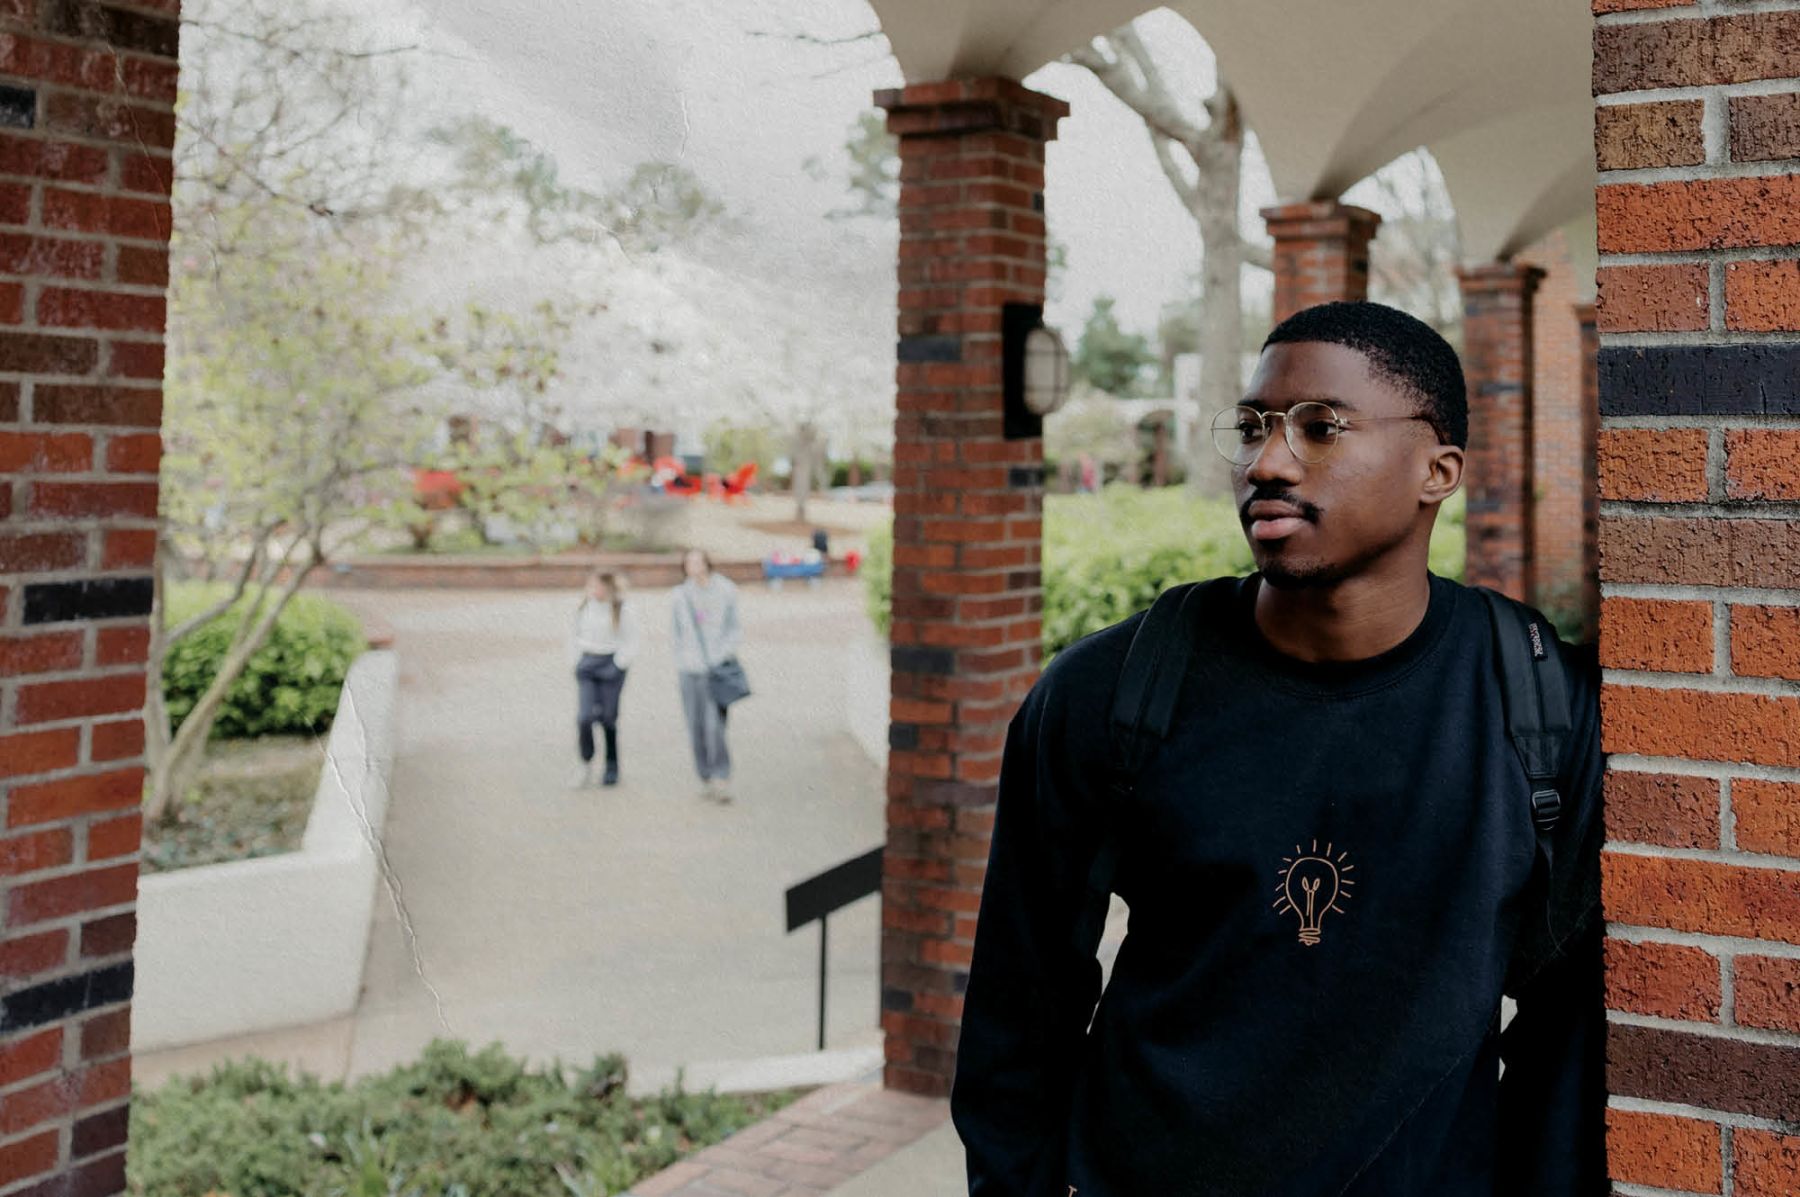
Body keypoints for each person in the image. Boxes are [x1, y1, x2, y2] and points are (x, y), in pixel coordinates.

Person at [951, 301, 1606, 1196]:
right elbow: (1019, 1008)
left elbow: (1569, 1023)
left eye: (1320, 427)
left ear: (1437, 469)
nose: (1266, 461)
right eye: (1254, 426)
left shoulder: (1544, 708)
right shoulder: (1110, 692)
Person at [671, 547, 742, 803]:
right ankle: (704, 776)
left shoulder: (725, 590)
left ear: (707, 563)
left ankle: (721, 775)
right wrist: (683, 659)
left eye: (697, 561)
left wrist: (721, 655)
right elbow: (676, 633)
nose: (693, 566)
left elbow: (734, 628)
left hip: (716, 669)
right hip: (690, 671)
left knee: (715, 727)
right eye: (689, 562)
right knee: (695, 726)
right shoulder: (679, 595)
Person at [569, 569, 639, 788]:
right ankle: (585, 761)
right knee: (584, 717)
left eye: (598, 586)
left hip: (611, 664)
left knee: (609, 718)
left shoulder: (622, 609)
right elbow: (571, 636)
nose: (594, 590)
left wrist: (619, 664)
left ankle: (611, 765)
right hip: (588, 664)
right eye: (591, 586)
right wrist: (576, 661)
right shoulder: (582, 607)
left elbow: (632, 640)